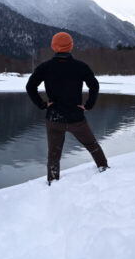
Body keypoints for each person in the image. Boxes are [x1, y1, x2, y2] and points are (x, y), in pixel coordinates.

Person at [26, 32, 109, 185]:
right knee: (92, 146)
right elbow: (94, 85)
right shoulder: (80, 66)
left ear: (54, 47)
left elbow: (30, 87)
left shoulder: (45, 67)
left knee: (54, 154)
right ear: (70, 46)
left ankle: (52, 182)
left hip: (54, 118)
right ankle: (104, 169)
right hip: (76, 117)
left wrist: (42, 105)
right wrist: (88, 105)